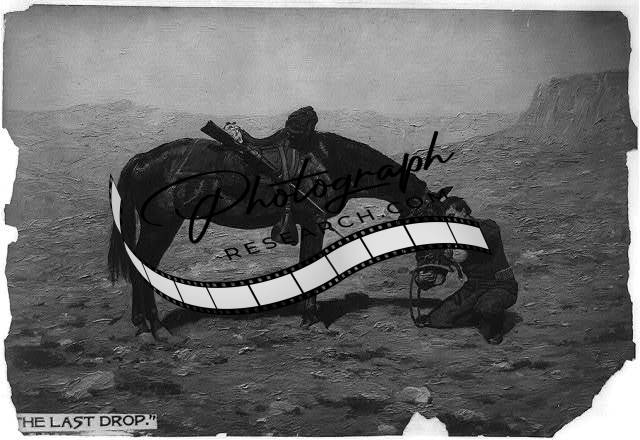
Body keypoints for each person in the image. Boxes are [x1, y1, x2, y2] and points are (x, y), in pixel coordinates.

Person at [416, 196, 518, 344]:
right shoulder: (451, 239)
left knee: (488, 307)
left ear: (463, 211)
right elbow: (439, 272)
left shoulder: (488, 226)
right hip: (474, 287)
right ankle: (476, 313)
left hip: (501, 285)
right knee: (438, 319)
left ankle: (495, 327)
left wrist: (464, 248)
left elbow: (487, 238)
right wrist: (424, 279)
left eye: (452, 215)